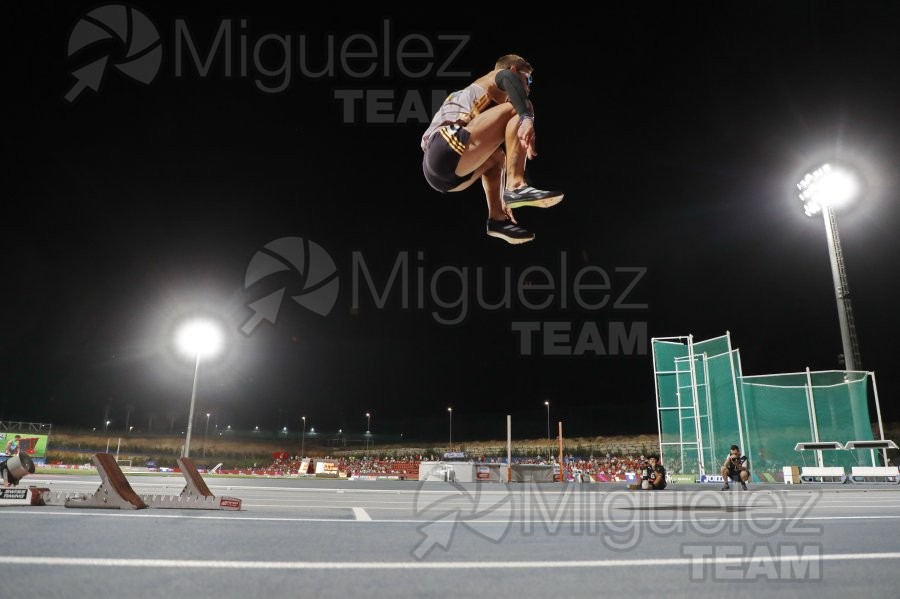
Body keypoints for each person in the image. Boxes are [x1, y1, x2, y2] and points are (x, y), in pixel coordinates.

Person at [421, 54, 564, 244]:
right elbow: (507, 78)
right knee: (523, 107)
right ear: (513, 70)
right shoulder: (495, 78)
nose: (529, 86)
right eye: (528, 78)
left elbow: (505, 146)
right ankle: (516, 186)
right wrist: (526, 119)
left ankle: (497, 219)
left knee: (497, 158)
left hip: (445, 176)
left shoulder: (480, 102)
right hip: (443, 145)